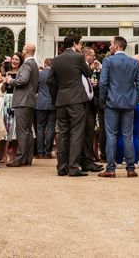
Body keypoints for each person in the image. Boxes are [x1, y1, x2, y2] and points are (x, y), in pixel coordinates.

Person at [98, 36, 139, 179]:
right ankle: (130, 169)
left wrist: (103, 100)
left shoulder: (108, 61)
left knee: (111, 135)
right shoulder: (133, 62)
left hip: (111, 103)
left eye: (111, 44)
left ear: (117, 46)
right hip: (128, 104)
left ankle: (110, 169)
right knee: (128, 136)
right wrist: (134, 101)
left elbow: (103, 83)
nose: (109, 46)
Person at [47, 34, 92, 176]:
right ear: (74, 43)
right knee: (76, 133)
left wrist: (56, 97)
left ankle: (61, 167)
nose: (80, 47)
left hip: (61, 100)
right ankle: (73, 167)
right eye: (79, 44)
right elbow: (88, 73)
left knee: (63, 133)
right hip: (77, 100)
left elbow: (50, 80)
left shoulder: (56, 59)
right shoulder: (78, 57)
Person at [6, 43, 39, 167]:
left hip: (23, 101)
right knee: (28, 131)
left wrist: (10, 81)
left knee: (22, 131)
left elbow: (23, 80)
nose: (22, 50)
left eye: (23, 48)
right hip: (30, 101)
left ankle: (20, 158)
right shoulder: (34, 64)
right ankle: (27, 158)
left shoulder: (26, 64)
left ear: (27, 51)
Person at [0, 52, 23, 164]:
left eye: (16, 59)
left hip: (17, 100)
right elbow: (3, 90)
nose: (14, 61)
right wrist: (5, 82)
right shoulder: (7, 73)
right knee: (6, 128)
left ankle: (13, 156)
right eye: (13, 59)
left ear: (20, 62)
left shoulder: (21, 73)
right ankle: (3, 155)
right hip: (7, 101)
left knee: (14, 129)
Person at [36, 57, 56, 158]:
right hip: (52, 103)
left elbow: (36, 88)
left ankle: (40, 151)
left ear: (44, 64)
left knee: (40, 128)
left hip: (40, 103)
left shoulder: (39, 74)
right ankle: (48, 151)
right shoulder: (55, 75)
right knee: (51, 127)